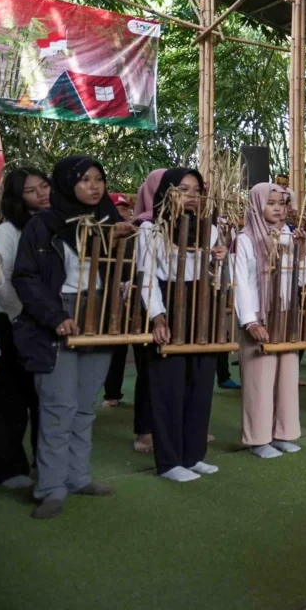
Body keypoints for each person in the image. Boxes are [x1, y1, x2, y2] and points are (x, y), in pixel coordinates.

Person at [13, 156, 129, 518]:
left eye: (99, 179)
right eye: (85, 180)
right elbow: (25, 277)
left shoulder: (110, 222)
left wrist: (128, 244)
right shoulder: (45, 225)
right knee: (58, 406)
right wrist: (56, 316)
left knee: (83, 406)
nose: (94, 187)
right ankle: (50, 487)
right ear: (66, 184)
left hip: (99, 314)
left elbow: (124, 274)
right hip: (58, 314)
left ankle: (78, 477)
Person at [139, 168, 227, 483]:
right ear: (167, 192)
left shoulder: (211, 229)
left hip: (201, 305)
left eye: (197, 190)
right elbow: (147, 277)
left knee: (201, 383)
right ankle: (169, 461)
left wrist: (218, 260)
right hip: (167, 304)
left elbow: (214, 280)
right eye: (184, 188)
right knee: (169, 388)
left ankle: (193, 455)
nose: (192, 195)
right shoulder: (150, 229)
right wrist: (158, 317)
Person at [233, 183, 306, 459]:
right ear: (256, 205)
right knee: (259, 381)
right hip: (259, 318)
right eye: (271, 203)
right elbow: (241, 283)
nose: (278, 208)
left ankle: (283, 433)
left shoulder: (289, 236)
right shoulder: (245, 239)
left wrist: (300, 250)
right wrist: (250, 322)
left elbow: (299, 279)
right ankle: (258, 439)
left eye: (282, 203)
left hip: (285, 315)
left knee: (287, 378)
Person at [0, 167, 49, 489]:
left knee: (43, 395)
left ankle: (47, 463)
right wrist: (22, 317)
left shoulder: (50, 226)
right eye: (31, 190)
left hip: (42, 321)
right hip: (10, 320)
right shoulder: (7, 232)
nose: (42, 193)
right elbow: (0, 283)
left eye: (44, 186)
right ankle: (8, 468)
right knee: (12, 394)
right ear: (16, 197)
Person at [123, 169, 165, 453]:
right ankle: (145, 430)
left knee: (176, 369)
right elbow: (142, 273)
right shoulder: (142, 226)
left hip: (179, 299)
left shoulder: (187, 224)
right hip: (146, 305)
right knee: (150, 368)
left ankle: (172, 423)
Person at [101, 192, 134, 408]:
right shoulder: (99, 234)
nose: (124, 213)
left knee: (122, 345)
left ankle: (114, 392)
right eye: (119, 209)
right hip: (103, 296)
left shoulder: (134, 233)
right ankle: (110, 392)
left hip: (131, 294)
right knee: (106, 345)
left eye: (126, 209)